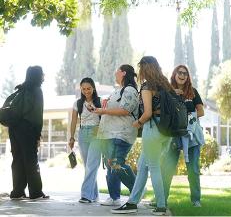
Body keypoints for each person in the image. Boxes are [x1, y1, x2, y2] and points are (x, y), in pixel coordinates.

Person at [112, 56, 172, 215]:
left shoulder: (147, 86)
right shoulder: (165, 84)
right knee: (142, 165)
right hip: (167, 130)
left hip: (152, 128)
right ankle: (132, 202)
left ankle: (161, 206)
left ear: (144, 68)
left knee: (153, 167)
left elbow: (147, 113)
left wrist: (137, 123)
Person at [94, 64, 139, 206]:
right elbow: (114, 108)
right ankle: (114, 197)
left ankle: (137, 190)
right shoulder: (119, 90)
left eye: (117, 71)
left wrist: (104, 111)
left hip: (121, 133)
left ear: (124, 73)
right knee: (111, 166)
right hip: (109, 133)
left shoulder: (130, 90)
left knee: (117, 164)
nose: (115, 73)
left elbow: (125, 110)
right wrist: (102, 107)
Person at [161, 65, 205, 208]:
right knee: (167, 168)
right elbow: (161, 110)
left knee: (193, 169)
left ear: (187, 77)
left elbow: (201, 112)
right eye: (179, 72)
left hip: (191, 135)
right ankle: (162, 200)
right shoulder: (167, 92)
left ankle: (196, 200)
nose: (182, 75)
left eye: (185, 73)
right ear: (174, 74)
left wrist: (184, 118)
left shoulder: (193, 92)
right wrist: (172, 93)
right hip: (173, 135)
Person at [8, 66, 49, 200]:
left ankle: (17, 192)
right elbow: (37, 115)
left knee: (17, 159)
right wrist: (38, 135)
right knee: (31, 160)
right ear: (38, 75)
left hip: (13, 128)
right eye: (42, 74)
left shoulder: (21, 89)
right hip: (28, 129)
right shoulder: (37, 91)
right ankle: (36, 192)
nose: (44, 76)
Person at [69, 77, 101, 203]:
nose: (86, 91)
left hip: (96, 132)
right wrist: (71, 137)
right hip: (82, 133)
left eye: (89, 88)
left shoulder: (100, 101)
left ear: (93, 88)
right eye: (84, 89)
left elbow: (105, 118)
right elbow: (74, 121)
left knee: (92, 164)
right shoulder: (77, 103)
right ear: (81, 89)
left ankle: (86, 195)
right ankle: (94, 194)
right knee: (88, 166)